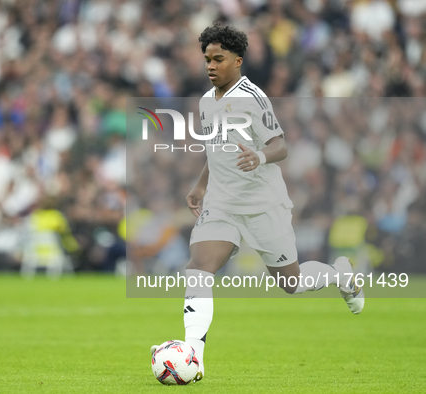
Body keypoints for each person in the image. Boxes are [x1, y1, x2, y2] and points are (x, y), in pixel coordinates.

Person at [150, 22, 364, 383]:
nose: (211, 65)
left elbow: (279, 144)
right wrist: (201, 186)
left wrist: (260, 158)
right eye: (207, 59)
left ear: (238, 60)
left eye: (219, 59)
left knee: (291, 283)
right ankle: (193, 357)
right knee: (199, 267)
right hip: (221, 203)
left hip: (263, 203)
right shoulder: (205, 102)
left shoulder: (253, 96)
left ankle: (341, 274)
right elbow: (214, 151)